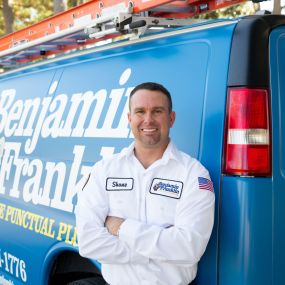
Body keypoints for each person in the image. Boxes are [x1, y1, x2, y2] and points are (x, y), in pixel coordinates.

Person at [75, 82, 215, 285]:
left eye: (157, 111)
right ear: (129, 118)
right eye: (140, 111)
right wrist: (156, 253)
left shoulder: (193, 174)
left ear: (171, 118)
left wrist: (122, 228)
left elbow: (189, 248)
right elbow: (88, 242)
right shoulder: (104, 171)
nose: (148, 120)